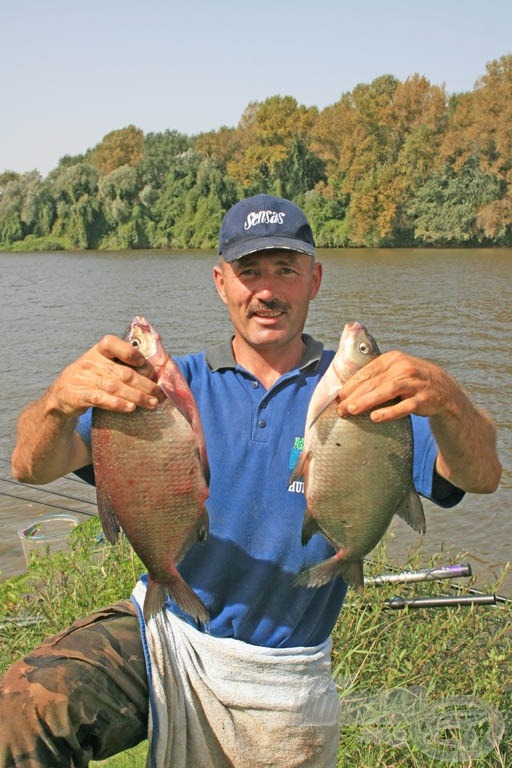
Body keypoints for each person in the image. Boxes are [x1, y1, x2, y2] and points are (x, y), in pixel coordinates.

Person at [1, 194, 501, 767]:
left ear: (314, 279)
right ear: (220, 282)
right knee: (21, 712)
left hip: (284, 677)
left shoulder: (366, 398)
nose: (266, 291)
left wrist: (451, 403)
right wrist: (59, 404)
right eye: (248, 271)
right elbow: (29, 466)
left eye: (285, 270)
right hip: (164, 633)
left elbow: (481, 477)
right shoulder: (165, 387)